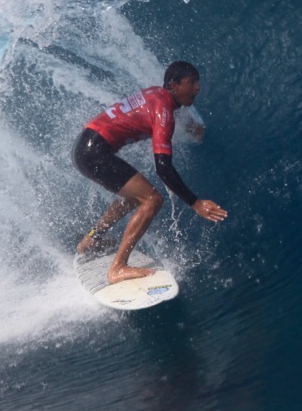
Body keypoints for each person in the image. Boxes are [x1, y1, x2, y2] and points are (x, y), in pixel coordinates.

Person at [72, 61, 228, 283]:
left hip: (85, 146)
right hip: (94, 152)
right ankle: (118, 268)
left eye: (197, 82)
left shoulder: (157, 94)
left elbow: (156, 115)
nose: (197, 88)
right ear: (174, 84)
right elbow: (163, 167)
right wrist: (195, 203)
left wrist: (191, 127)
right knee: (152, 199)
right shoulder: (164, 111)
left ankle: (92, 239)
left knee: (134, 196)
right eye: (192, 82)